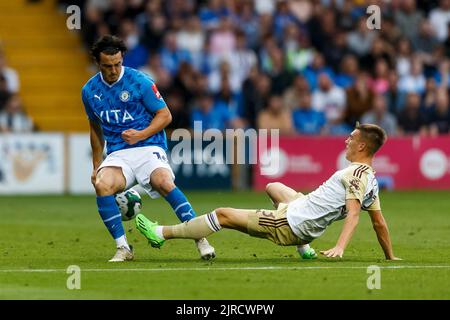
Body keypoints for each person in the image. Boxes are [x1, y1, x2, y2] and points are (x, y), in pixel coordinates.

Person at [135, 123, 401, 261]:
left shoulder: (354, 175)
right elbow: (378, 222)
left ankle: (161, 234)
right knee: (273, 187)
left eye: (352, 137)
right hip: (301, 206)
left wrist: (340, 248)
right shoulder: (371, 180)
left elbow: (354, 215)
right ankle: (304, 248)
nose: (347, 140)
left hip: (290, 223)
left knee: (223, 214)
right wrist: (389, 257)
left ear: (363, 145)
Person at [81, 35, 215, 262]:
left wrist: (141, 134)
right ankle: (123, 248)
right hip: (118, 153)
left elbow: (165, 115)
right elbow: (95, 128)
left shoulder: (140, 82)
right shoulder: (89, 90)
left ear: (122, 59)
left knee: (164, 181)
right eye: (107, 66)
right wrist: (96, 164)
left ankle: (201, 239)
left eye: (117, 64)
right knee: (103, 185)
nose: (113, 70)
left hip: (148, 146)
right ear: (98, 63)